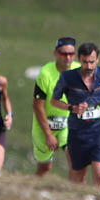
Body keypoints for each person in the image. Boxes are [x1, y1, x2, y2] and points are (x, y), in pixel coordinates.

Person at [50, 42, 100, 189]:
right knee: (79, 177)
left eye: (92, 62)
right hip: (77, 133)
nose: (89, 66)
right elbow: (54, 101)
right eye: (85, 62)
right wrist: (72, 108)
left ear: (98, 59)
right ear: (79, 60)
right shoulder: (67, 77)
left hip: (98, 131)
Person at [32, 36, 80, 177]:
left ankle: (73, 196)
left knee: (75, 164)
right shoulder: (45, 74)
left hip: (67, 125)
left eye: (71, 54)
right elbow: (37, 106)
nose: (67, 58)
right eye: (63, 53)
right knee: (44, 169)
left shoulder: (79, 70)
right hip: (45, 126)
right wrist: (48, 134)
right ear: (55, 54)